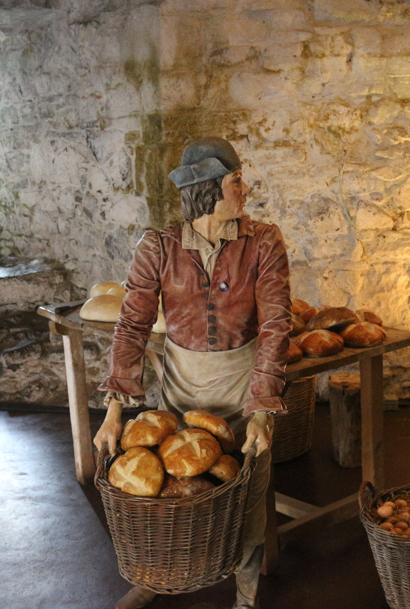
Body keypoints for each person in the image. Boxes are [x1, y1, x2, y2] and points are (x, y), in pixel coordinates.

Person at [92, 137, 291, 609]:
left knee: (245, 497)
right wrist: (115, 408)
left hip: (245, 391)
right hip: (180, 394)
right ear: (209, 190)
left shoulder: (263, 241)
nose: (244, 190)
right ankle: (159, 576)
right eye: (235, 182)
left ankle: (245, 595)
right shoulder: (157, 248)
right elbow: (132, 324)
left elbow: (276, 325)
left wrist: (262, 408)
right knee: (170, 492)